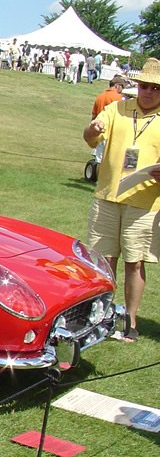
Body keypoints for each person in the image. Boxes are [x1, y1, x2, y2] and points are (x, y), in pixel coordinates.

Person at [82, 58, 160, 342]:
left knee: (135, 262)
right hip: (107, 196)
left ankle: (130, 320)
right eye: (143, 86)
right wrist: (93, 130)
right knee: (103, 260)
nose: (148, 92)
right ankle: (101, 316)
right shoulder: (117, 108)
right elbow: (89, 137)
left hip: (144, 202)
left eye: (154, 88)